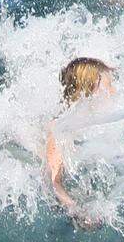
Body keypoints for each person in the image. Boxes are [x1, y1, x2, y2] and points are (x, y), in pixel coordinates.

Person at [46, 57, 116, 230]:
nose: (114, 92)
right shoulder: (61, 128)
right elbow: (54, 182)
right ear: (88, 91)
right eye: (108, 86)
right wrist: (77, 212)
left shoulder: (99, 123)